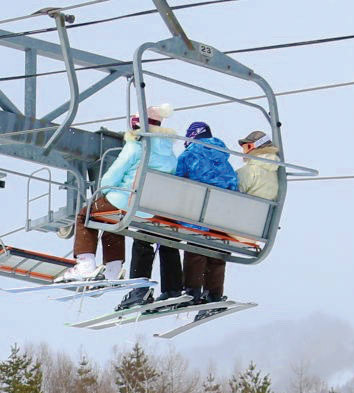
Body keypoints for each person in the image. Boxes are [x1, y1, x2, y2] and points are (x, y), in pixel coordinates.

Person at [72, 104, 184, 312]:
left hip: (126, 201)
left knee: (87, 214)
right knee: (112, 220)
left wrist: (103, 187)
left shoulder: (135, 146)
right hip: (150, 208)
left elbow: (111, 176)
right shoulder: (170, 155)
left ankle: (87, 263)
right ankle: (113, 268)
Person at [173, 122, 240, 326]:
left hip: (197, 213)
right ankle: (214, 294)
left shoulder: (189, 156)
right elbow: (233, 184)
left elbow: (177, 182)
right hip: (220, 216)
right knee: (216, 254)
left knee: (195, 252)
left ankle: (192, 291)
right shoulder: (222, 157)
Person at [235, 129, 280, 203]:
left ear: (256, 147)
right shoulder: (276, 174)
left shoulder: (249, 171)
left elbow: (231, 192)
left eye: (247, 147)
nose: (244, 152)